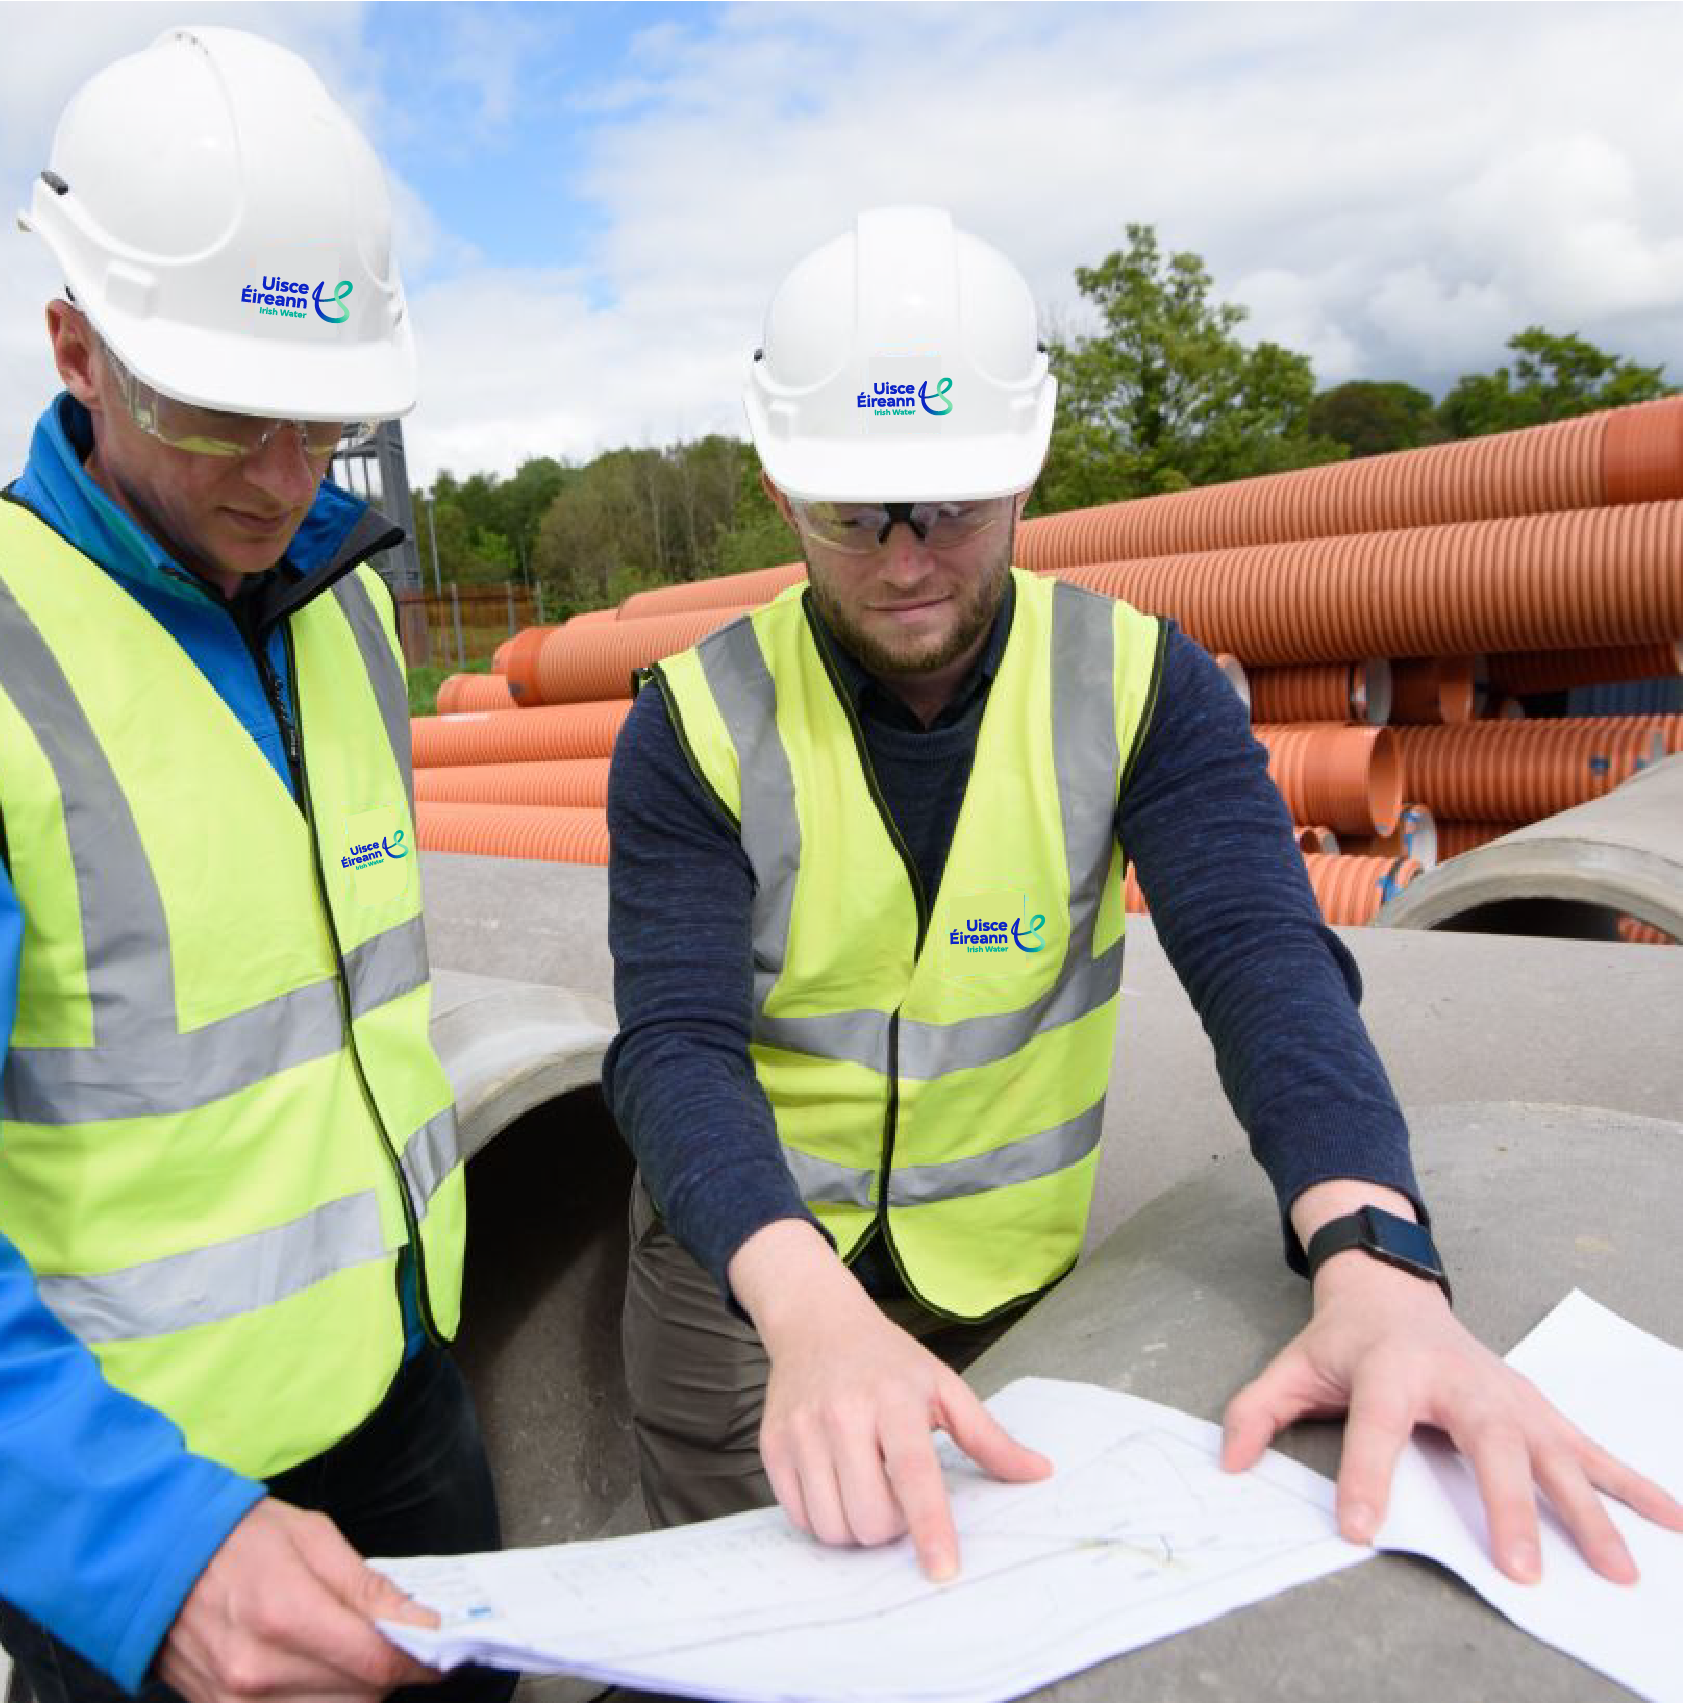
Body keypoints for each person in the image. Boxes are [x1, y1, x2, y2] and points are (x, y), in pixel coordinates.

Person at [606, 205, 1682, 1590]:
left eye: (949, 506)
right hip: (744, 1277)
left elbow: (1261, 961)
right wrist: (806, 1309)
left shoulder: (1137, 686)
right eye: (851, 512)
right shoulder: (694, 720)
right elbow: (676, 1044)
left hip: (1001, 1275)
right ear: (776, 487)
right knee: (752, 1611)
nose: (905, 556)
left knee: (977, 1608)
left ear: (1027, 474)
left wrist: (1375, 1259)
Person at [0, 28, 511, 1703]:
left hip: (408, 1411)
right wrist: (149, 1545)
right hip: (141, 1511)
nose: (289, 482)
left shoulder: (342, 601)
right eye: (226, 420)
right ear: (74, 343)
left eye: (325, 422)